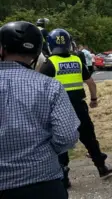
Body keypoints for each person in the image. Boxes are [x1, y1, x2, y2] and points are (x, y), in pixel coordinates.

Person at [0, 21, 79, 199]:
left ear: (2, 49)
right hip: (43, 184)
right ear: (37, 52)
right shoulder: (50, 86)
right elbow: (67, 137)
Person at [39, 29, 112, 188]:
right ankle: (101, 167)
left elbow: (40, 87)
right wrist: (94, 99)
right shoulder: (77, 59)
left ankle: (64, 177)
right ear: (69, 43)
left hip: (58, 108)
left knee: (61, 139)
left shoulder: (49, 63)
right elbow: (91, 83)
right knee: (89, 137)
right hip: (79, 106)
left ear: (50, 45)